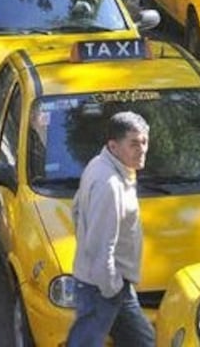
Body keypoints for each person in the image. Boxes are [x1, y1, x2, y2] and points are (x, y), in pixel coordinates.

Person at [66, 111, 154, 347]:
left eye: (144, 141)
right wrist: (111, 287)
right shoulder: (110, 185)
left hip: (110, 284)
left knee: (142, 342)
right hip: (102, 287)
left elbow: (76, 210)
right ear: (113, 146)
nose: (142, 149)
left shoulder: (103, 165)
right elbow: (101, 246)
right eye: (134, 143)